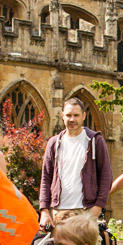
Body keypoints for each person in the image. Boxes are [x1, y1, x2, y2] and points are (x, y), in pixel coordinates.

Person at [39, 98, 112, 229]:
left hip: (86, 210)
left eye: (76, 115)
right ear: (62, 116)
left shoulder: (95, 141)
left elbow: (106, 176)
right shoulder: (54, 143)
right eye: (68, 115)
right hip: (59, 212)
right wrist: (44, 210)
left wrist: (97, 208)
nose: (72, 119)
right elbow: (46, 177)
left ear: (83, 116)